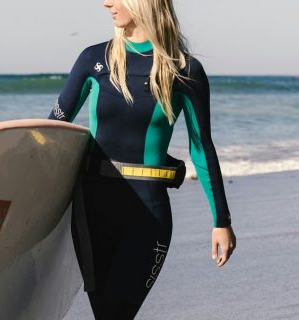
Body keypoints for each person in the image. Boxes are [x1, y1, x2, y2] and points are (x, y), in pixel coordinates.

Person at [48, 1, 236, 318]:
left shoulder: (184, 71)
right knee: (106, 313)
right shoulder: (95, 59)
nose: (106, 2)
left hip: (147, 214)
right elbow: (53, 129)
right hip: (91, 210)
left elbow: (201, 146)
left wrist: (222, 222)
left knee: (116, 313)